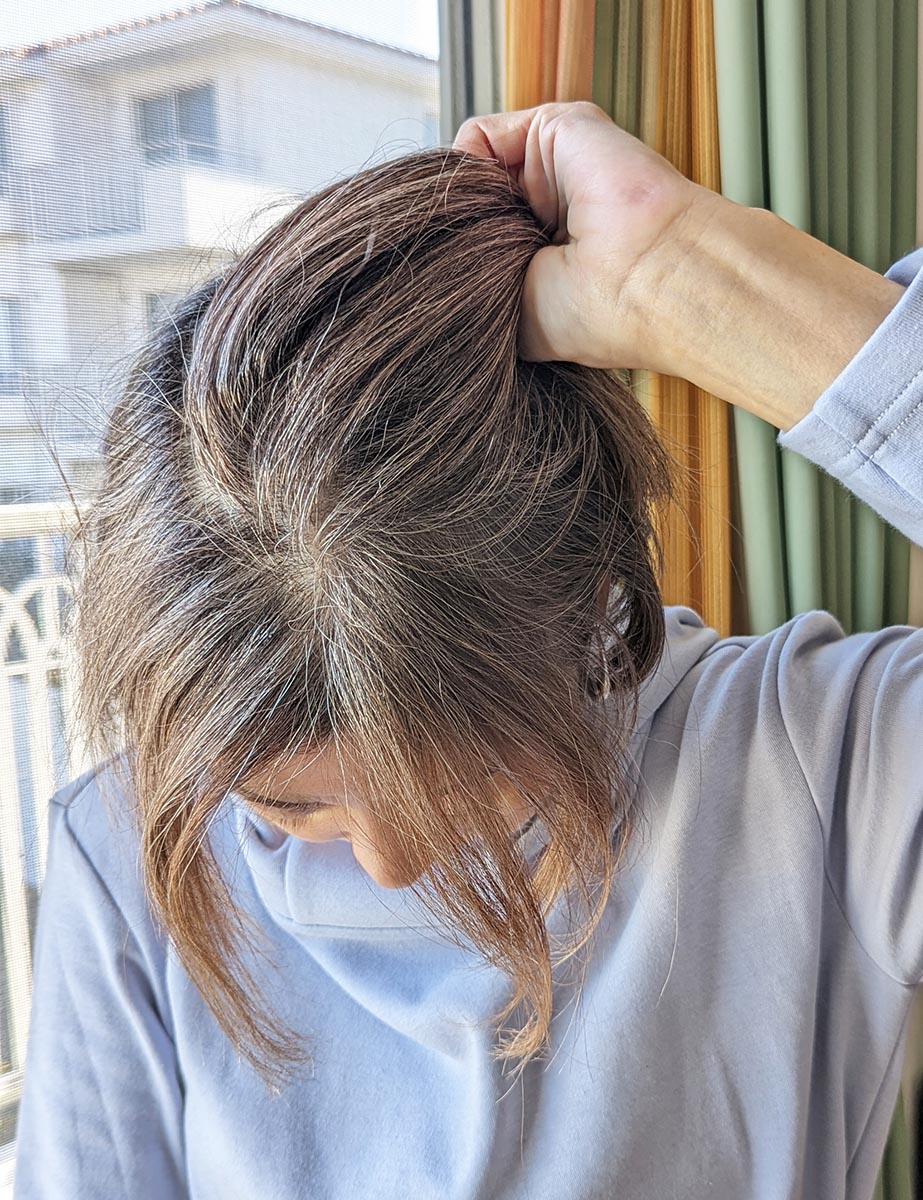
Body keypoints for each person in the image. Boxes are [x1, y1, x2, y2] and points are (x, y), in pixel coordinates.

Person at [13, 101, 923, 1200]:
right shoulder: (134, 854)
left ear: (582, 611)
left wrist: (685, 275)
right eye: (289, 807)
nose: (395, 865)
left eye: (469, 781)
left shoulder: (824, 771)